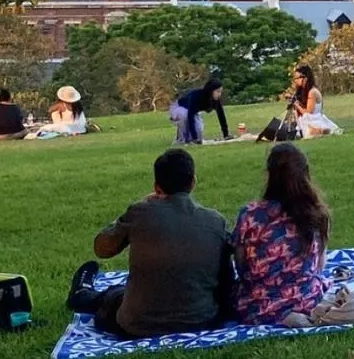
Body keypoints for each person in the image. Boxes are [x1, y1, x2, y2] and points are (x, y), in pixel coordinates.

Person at [66, 148, 233, 338]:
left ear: (156, 187)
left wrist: (137, 208)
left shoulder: (140, 213)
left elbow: (102, 248)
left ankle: (81, 294)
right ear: (193, 181)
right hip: (202, 321)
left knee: (113, 296)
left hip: (138, 325)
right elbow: (225, 281)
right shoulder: (215, 221)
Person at [232, 143, 332, 326]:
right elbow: (319, 265)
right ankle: (290, 313)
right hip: (307, 299)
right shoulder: (315, 213)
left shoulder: (249, 214)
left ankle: (280, 314)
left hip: (258, 306)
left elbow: (240, 265)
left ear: (269, 175)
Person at [168, 77, 229, 145]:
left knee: (199, 130)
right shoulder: (197, 96)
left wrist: (226, 134)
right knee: (184, 116)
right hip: (178, 107)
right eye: (217, 91)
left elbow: (221, 116)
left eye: (220, 91)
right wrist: (194, 138)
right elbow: (190, 116)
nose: (219, 94)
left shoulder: (215, 100)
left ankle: (189, 139)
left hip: (191, 111)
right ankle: (180, 140)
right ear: (210, 90)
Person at [289, 65, 341, 139]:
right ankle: (317, 131)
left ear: (305, 78)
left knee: (304, 133)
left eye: (297, 78)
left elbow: (309, 112)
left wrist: (297, 105)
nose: (295, 80)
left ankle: (318, 131)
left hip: (313, 119)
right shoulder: (304, 91)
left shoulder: (312, 92)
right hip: (309, 119)